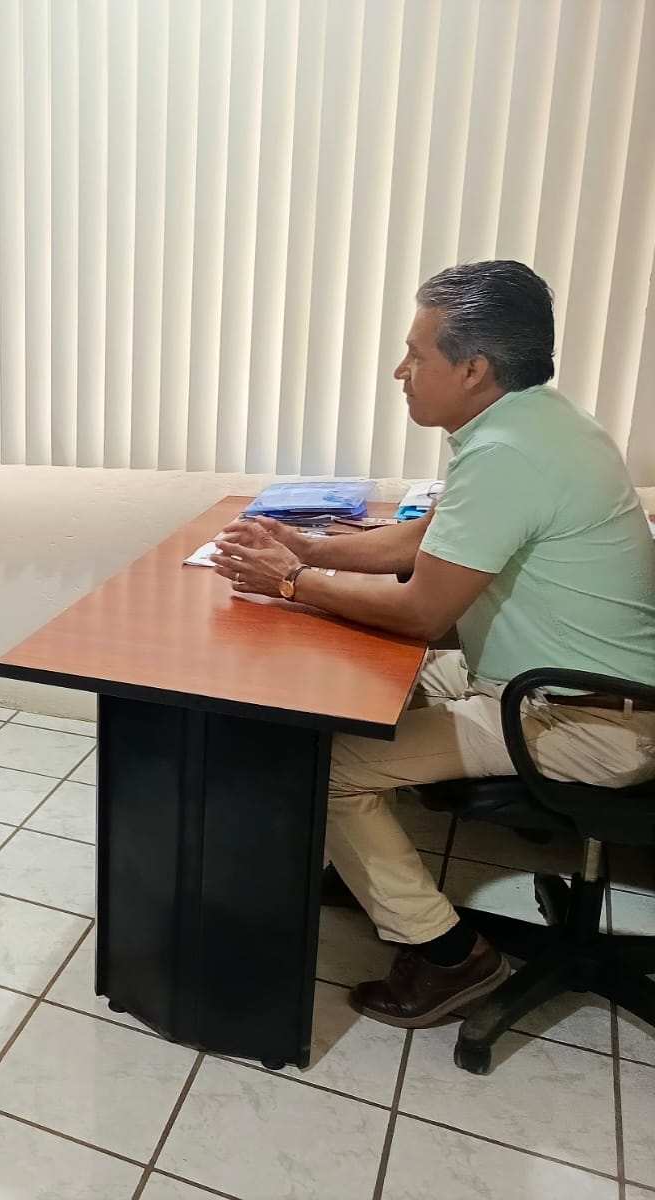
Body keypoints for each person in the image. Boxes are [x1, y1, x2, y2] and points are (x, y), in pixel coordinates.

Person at [210, 260, 655, 1029]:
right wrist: (305, 548)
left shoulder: (510, 452)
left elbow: (421, 612)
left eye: (416, 355)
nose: (401, 371)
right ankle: (363, 865)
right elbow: (424, 541)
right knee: (356, 682)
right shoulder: (535, 423)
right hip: (560, 682)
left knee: (329, 768)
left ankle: (450, 956)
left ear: (474, 369)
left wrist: (288, 582)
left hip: (585, 717)